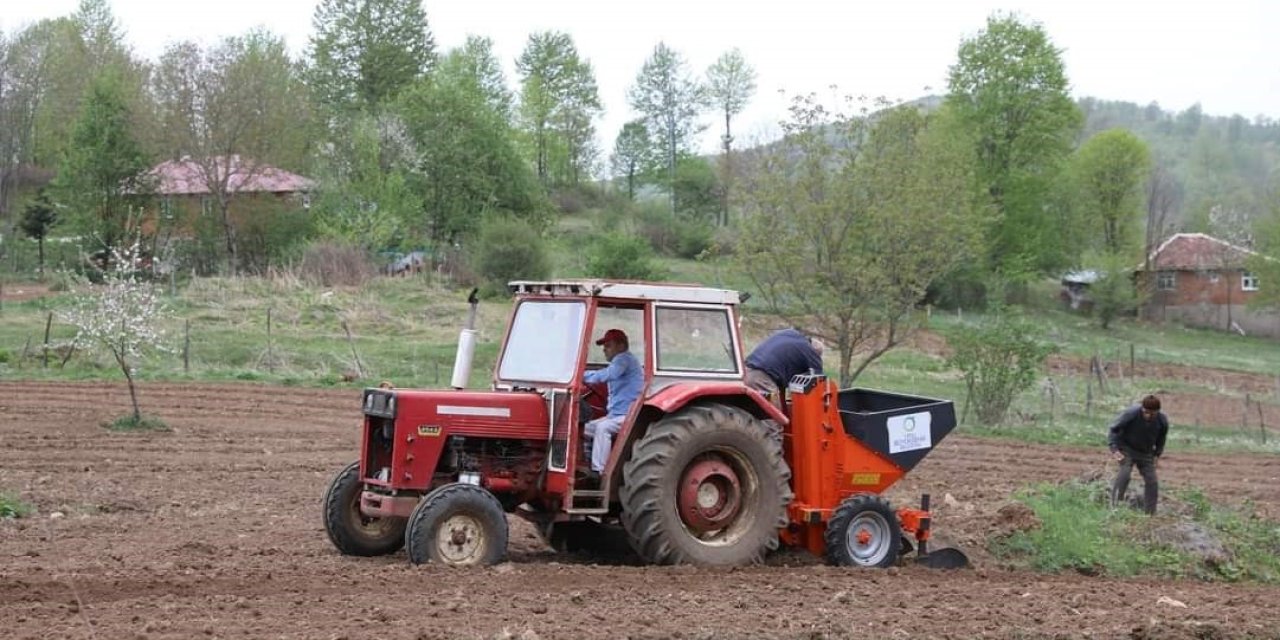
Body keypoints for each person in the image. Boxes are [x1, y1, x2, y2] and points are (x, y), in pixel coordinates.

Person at [579, 328, 643, 487]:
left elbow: (608, 375)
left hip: (628, 414)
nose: (604, 349)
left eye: (608, 345)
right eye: (604, 345)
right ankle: (585, 462)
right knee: (583, 429)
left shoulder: (623, 359)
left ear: (621, 345)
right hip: (616, 414)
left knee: (603, 428)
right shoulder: (620, 362)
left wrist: (579, 375)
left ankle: (599, 473)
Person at [1108, 394, 1169, 515]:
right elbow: (1114, 429)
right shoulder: (1131, 414)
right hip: (1126, 448)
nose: (1148, 416)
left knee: (1152, 481)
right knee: (1125, 474)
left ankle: (1150, 514)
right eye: (1146, 412)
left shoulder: (1162, 421)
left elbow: (1161, 439)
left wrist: (1157, 455)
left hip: (1146, 453)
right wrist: (1114, 449)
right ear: (1142, 409)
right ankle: (1115, 507)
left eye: (1152, 413)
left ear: (1157, 412)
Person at [744, 328, 824, 410]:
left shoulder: (788, 334)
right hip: (761, 379)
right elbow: (819, 379)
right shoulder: (810, 351)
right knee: (774, 417)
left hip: (746, 372)